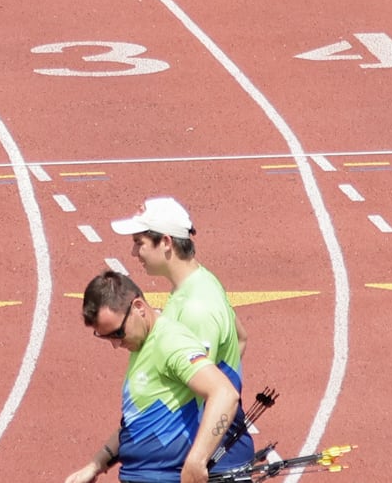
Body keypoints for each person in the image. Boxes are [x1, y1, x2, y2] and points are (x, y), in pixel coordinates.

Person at [68, 269, 253, 483]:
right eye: (106, 337)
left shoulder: (170, 342)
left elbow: (224, 394)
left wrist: (197, 460)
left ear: (138, 308)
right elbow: (137, 423)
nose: (116, 344)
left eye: (118, 333)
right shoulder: (141, 345)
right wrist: (96, 465)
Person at [115, 196, 241, 361]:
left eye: (139, 243)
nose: (133, 252)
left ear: (166, 242)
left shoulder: (196, 308)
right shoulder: (201, 281)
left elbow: (201, 382)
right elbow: (240, 337)